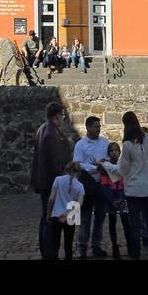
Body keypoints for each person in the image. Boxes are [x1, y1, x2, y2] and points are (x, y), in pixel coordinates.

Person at [117, 111, 148, 259]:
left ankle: (136, 255)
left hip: (133, 191)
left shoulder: (127, 144)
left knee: (135, 226)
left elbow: (122, 169)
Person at [29, 102, 73, 257]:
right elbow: (54, 163)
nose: (63, 118)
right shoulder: (50, 134)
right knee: (50, 221)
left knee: (45, 219)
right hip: (50, 184)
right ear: (56, 116)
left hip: (45, 183)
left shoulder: (44, 129)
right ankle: (48, 252)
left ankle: (47, 251)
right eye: (62, 115)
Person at [72, 115, 110, 258]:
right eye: (95, 126)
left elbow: (109, 158)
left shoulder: (105, 142)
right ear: (88, 127)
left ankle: (96, 246)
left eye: (99, 126)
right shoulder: (80, 145)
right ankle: (82, 248)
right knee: (85, 218)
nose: (98, 129)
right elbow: (77, 164)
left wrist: (103, 164)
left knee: (100, 217)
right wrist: (94, 167)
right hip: (86, 185)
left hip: (101, 185)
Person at [46, 161, 87, 259]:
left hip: (56, 214)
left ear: (66, 169)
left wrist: (48, 213)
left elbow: (51, 198)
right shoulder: (80, 186)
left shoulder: (58, 180)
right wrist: (68, 214)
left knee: (54, 244)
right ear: (79, 172)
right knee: (68, 245)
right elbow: (79, 204)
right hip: (70, 217)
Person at [99, 142, 133, 258]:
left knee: (126, 223)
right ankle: (115, 247)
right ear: (108, 153)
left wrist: (122, 197)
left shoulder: (123, 165)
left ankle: (130, 245)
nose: (114, 152)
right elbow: (104, 185)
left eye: (116, 150)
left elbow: (127, 183)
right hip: (111, 199)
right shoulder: (105, 168)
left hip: (122, 197)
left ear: (119, 152)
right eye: (111, 151)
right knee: (112, 223)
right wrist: (112, 200)